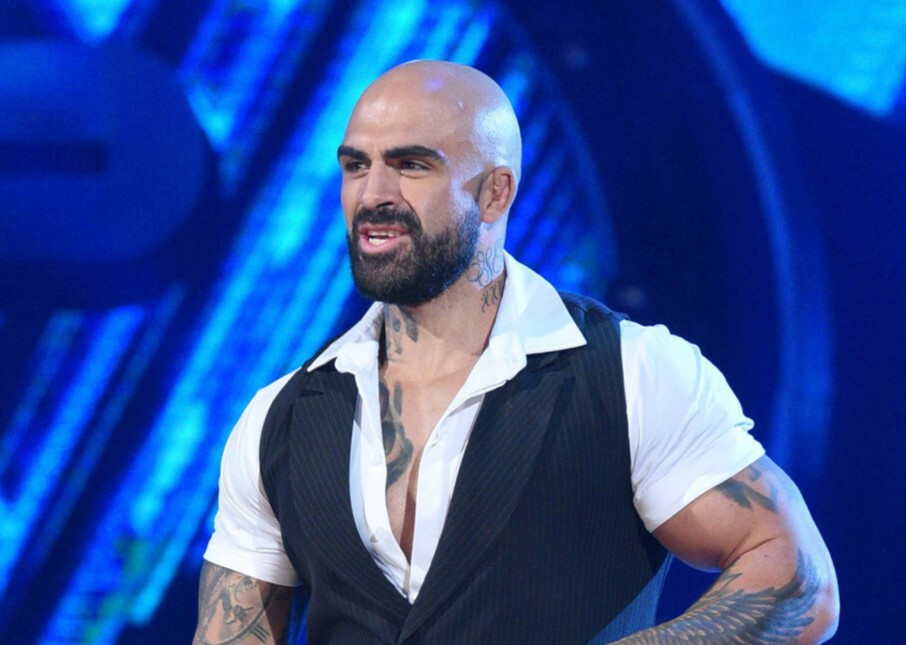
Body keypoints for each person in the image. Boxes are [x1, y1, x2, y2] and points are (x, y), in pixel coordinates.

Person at [193, 60, 839, 644]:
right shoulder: (278, 418)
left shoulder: (631, 373)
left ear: (495, 192)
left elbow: (797, 578)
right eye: (356, 165)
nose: (372, 195)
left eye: (411, 165)